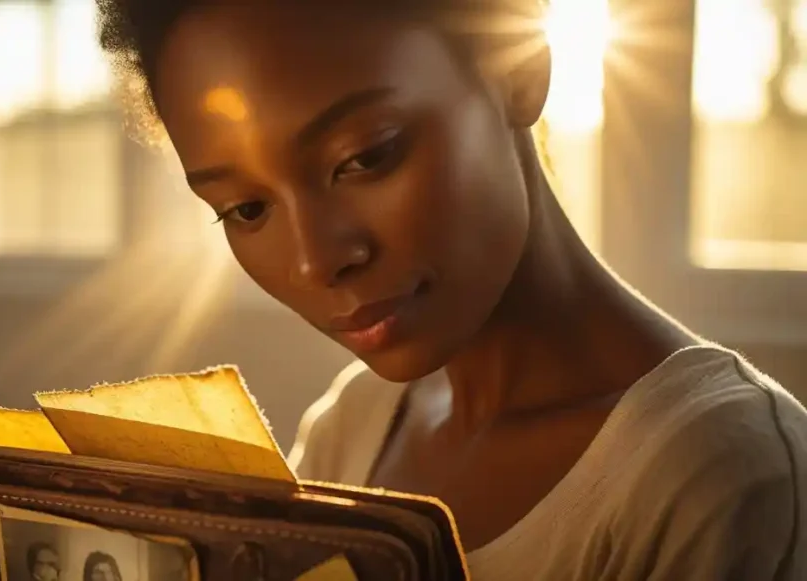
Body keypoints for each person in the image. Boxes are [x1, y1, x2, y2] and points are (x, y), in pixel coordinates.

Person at [94, 0, 807, 578]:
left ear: (519, 66)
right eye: (247, 209)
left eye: (365, 157)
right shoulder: (354, 428)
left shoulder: (723, 477)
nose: (314, 261)